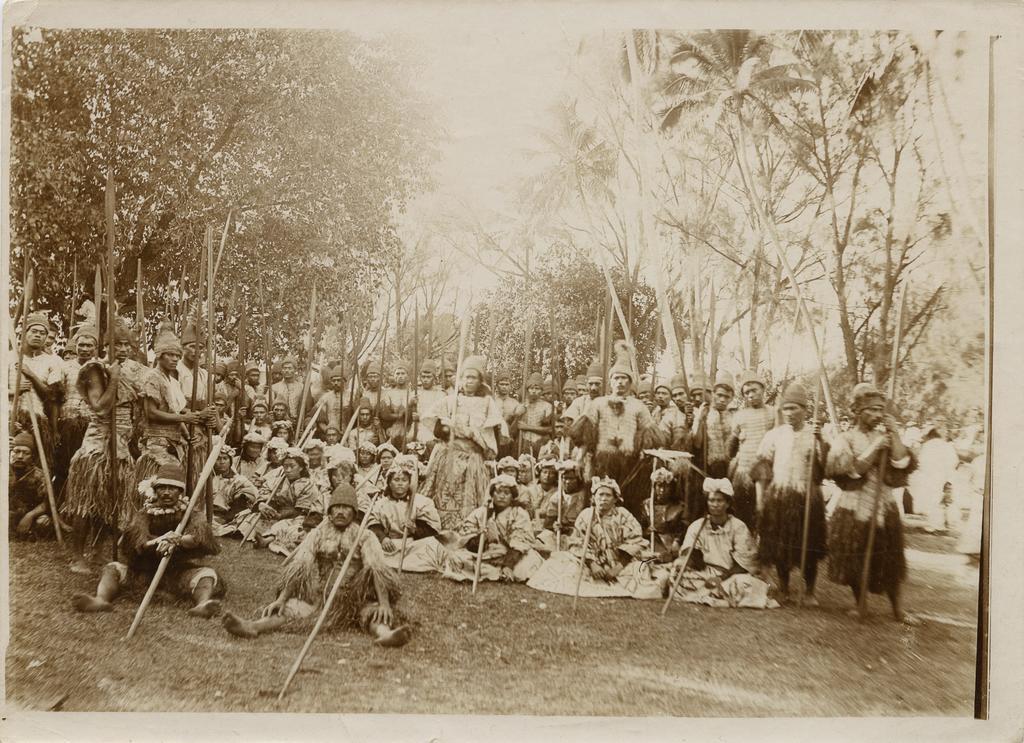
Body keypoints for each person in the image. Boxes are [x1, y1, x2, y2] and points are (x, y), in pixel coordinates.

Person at [221, 483, 410, 647]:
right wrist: (281, 599)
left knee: (376, 614)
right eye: (336, 507)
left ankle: (385, 635)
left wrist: (384, 603)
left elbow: (376, 570)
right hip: (322, 598)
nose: (341, 512)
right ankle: (253, 626)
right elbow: (300, 567)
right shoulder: (318, 534)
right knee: (288, 608)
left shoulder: (365, 536)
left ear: (354, 512)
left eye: (346, 508)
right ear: (329, 511)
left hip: (356, 599)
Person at [72, 462, 224, 618]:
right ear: (155, 491)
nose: (166, 493)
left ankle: (202, 605)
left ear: (180, 492)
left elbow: (199, 538)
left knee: (207, 574)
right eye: (162, 488)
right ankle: (100, 600)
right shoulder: (145, 513)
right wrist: (160, 541)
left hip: (178, 572)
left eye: (171, 489)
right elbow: (137, 542)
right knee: (113, 568)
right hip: (143, 572)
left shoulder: (192, 513)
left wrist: (177, 540)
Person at [826, 383, 919, 624]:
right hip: (854, 506)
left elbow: (901, 463)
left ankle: (898, 609)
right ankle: (860, 604)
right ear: (857, 410)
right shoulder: (844, 439)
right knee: (856, 558)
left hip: (884, 505)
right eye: (871, 410)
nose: (877, 415)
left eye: (880, 410)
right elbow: (851, 471)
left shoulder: (886, 437)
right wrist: (876, 448)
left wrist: (895, 434)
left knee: (891, 558)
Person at [62, 350, 141, 573]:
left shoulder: (132, 370)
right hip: (98, 445)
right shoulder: (96, 369)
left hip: (121, 445)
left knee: (111, 502)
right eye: (118, 343)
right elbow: (100, 407)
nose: (123, 349)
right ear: (106, 345)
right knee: (86, 502)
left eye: (127, 344)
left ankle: (96, 551)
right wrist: (113, 378)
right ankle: (77, 556)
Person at [751, 383, 828, 605]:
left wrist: (820, 441)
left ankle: (810, 591)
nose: (790, 413)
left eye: (795, 408)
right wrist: (760, 499)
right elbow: (762, 469)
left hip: (806, 496)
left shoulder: (814, 435)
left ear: (805, 409)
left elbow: (823, 470)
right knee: (780, 546)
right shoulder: (774, 435)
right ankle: (784, 589)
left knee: (809, 546)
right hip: (780, 495)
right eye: (786, 409)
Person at [527, 476, 661, 599]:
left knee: (641, 570)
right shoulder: (586, 515)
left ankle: (618, 581)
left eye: (608, 495)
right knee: (563, 562)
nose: (603, 499)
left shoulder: (624, 515)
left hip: (621, 562)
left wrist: (618, 568)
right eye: (600, 495)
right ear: (594, 498)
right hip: (591, 561)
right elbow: (577, 542)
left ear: (615, 499)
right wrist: (593, 564)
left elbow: (635, 542)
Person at [569, 351, 664, 523]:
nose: (620, 382)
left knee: (627, 502)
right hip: (602, 461)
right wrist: (579, 459)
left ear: (630, 381)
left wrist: (646, 453)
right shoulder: (598, 404)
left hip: (629, 462)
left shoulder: (639, 406)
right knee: (599, 499)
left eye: (624, 378)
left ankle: (626, 534)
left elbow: (650, 436)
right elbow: (585, 435)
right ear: (610, 381)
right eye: (616, 378)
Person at [664, 479, 778, 609]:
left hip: (731, 574)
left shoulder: (738, 527)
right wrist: (687, 556)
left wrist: (720, 578)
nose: (715, 504)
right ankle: (716, 595)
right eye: (711, 500)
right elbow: (694, 559)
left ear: (728, 504)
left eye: (719, 501)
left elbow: (744, 563)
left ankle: (712, 594)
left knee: (743, 583)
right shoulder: (698, 526)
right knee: (676, 573)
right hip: (706, 573)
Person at [422, 355, 504, 529]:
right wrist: (449, 428)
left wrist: (472, 433)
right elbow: (435, 425)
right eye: (466, 377)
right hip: (448, 457)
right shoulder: (450, 401)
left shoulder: (488, 403)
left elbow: (493, 433)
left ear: (480, 381)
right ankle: (437, 526)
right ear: (460, 379)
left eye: (473, 377)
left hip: (473, 459)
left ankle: (469, 529)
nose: (468, 381)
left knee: (471, 500)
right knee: (443, 494)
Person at [135, 323, 216, 497]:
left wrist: (187, 434)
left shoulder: (171, 380)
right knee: (158, 487)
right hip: (157, 441)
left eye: (176, 356)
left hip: (175, 440)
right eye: (170, 355)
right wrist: (186, 419)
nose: (174, 359)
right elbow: (151, 413)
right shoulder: (152, 377)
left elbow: (179, 411)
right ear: (160, 356)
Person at [438, 474, 544, 584]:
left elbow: (521, 543)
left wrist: (508, 565)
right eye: (498, 492)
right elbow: (467, 539)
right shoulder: (482, 512)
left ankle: (503, 571)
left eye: (506, 493)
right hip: (488, 554)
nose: (502, 496)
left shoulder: (519, 514)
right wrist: (480, 537)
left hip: (513, 554)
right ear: (492, 494)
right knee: (457, 557)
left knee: (525, 567)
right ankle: (496, 573)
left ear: (512, 496)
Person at [367, 454, 441, 571]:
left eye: (404, 480)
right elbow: (373, 525)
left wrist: (415, 529)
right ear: (389, 483)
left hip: (413, 544)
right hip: (390, 544)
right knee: (370, 546)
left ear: (409, 483)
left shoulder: (421, 502)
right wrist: (383, 538)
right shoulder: (381, 503)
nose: (400, 483)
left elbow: (432, 531)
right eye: (396, 480)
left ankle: (407, 563)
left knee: (432, 545)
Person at [9, 312, 63, 468]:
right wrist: (13, 392)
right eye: (34, 331)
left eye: (42, 333)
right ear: (24, 332)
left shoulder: (52, 362)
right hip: (9, 417)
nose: (38, 335)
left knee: (37, 467)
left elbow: (53, 398)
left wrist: (31, 375)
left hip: (38, 421)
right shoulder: (8, 356)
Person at [727, 370, 776, 531]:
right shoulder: (739, 416)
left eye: (754, 390)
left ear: (762, 389)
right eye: (746, 392)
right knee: (743, 513)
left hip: (766, 472)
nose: (750, 395)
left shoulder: (773, 413)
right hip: (744, 472)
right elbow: (731, 448)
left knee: (765, 513)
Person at [54, 325, 99, 495]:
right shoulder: (65, 367)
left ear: (95, 348)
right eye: (81, 345)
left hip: (92, 426)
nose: (85, 349)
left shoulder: (100, 368)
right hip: (67, 423)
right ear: (76, 345)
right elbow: (56, 398)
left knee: (86, 467)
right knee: (64, 466)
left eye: (89, 345)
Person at [253, 447, 322, 556]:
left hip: (299, 515)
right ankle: (266, 538)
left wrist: (280, 516)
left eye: (292, 466)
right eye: (285, 466)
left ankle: (267, 540)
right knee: (251, 519)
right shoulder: (279, 480)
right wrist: (263, 504)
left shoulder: (308, 485)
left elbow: (300, 510)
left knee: (287, 527)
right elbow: (264, 491)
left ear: (301, 468)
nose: (288, 470)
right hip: (278, 513)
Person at [907, 419, 959, 533]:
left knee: (934, 500)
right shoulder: (947, 446)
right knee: (942, 500)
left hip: (931, 476)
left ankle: (936, 526)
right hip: (944, 474)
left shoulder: (928, 446)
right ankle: (943, 524)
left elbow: (921, 461)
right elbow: (954, 461)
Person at [9, 431, 57, 539]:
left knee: (43, 522)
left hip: (31, 514)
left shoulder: (40, 475)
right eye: (17, 451)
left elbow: (46, 503)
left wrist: (29, 516)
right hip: (9, 514)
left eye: (26, 453)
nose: (20, 456)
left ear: (32, 457)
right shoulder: (5, 471)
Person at [693, 370, 736, 479]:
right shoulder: (705, 412)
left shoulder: (735, 415)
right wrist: (699, 419)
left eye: (727, 397)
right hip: (708, 466)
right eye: (719, 395)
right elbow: (697, 443)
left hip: (731, 467)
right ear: (713, 394)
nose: (722, 400)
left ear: (731, 398)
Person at [211, 445, 260, 534]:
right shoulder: (207, 478)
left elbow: (254, 494)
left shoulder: (238, 479)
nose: (221, 462)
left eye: (225, 458)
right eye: (218, 459)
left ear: (230, 461)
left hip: (229, 513)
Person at [648, 466, 686, 561]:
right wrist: (647, 531)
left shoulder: (680, 507)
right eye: (659, 486)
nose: (662, 490)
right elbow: (639, 529)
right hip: (651, 543)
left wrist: (677, 542)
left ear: (672, 488)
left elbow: (682, 529)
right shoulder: (646, 506)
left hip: (671, 545)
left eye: (666, 487)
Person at [515, 372, 553, 458]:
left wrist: (527, 427)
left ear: (542, 391)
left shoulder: (547, 406)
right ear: (528, 390)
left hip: (541, 443)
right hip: (523, 442)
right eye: (531, 388)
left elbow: (549, 429)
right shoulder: (521, 406)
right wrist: (518, 415)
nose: (534, 391)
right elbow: (514, 428)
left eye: (537, 388)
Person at [411, 359, 446, 450]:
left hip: (432, 428)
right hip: (416, 426)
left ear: (434, 378)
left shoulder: (440, 394)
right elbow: (406, 413)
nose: (425, 380)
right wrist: (410, 404)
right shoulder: (415, 393)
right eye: (423, 377)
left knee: (429, 442)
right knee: (409, 439)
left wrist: (421, 416)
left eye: (428, 377)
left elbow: (440, 415)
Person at [271, 356, 306, 421]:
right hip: (280, 422)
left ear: (295, 370)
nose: (287, 370)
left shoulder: (302, 387)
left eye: (290, 368)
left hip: (298, 422)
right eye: (284, 368)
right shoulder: (274, 387)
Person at [354, 440, 383, 504]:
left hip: (372, 499)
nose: (364, 456)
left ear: (372, 456)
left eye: (368, 454)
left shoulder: (377, 469)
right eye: (362, 453)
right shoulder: (355, 468)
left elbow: (379, 488)